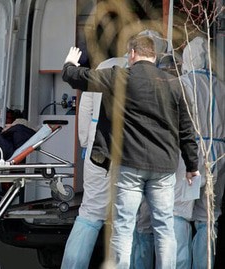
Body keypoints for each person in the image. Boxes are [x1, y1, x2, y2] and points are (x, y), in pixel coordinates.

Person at [61, 35, 200, 268]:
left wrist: (69, 64)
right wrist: (192, 166)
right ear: (155, 56)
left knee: (116, 225)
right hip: (163, 166)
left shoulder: (118, 75)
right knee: (163, 227)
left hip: (122, 163)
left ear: (132, 54)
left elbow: (78, 82)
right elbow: (186, 130)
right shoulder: (175, 84)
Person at [60, 57, 128, 269]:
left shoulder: (104, 67)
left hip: (97, 144)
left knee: (90, 213)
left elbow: (86, 107)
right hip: (128, 149)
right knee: (126, 217)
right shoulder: (146, 72)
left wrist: (85, 142)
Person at [172, 36, 225, 269]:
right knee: (208, 216)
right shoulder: (221, 86)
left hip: (191, 155)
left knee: (179, 213)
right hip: (219, 154)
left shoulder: (182, 84)